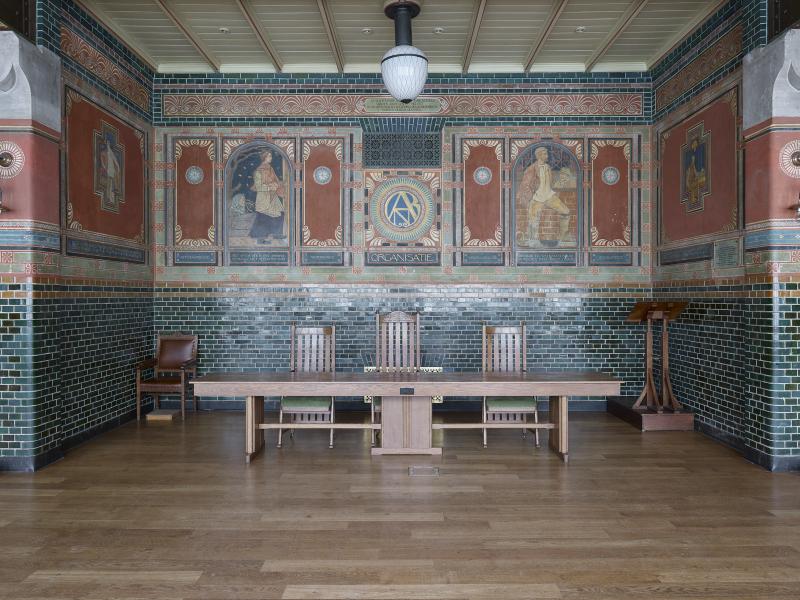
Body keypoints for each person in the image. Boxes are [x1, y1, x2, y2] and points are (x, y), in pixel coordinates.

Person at [518, 147, 570, 244]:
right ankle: (533, 241)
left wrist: (561, 183)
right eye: (545, 154)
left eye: (547, 154)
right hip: (537, 198)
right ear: (539, 156)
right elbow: (525, 185)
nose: (547, 156)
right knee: (533, 219)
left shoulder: (547, 167)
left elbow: (550, 182)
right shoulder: (531, 169)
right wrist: (531, 197)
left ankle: (563, 237)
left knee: (566, 211)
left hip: (549, 196)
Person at [248, 149, 288, 243]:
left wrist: (278, 184)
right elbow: (258, 186)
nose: (271, 158)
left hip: (273, 196)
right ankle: (260, 239)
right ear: (264, 157)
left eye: (271, 156)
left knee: (280, 213)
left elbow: (275, 181)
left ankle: (277, 234)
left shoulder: (270, 168)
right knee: (263, 217)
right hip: (264, 197)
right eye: (269, 156)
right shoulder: (258, 171)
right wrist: (270, 187)